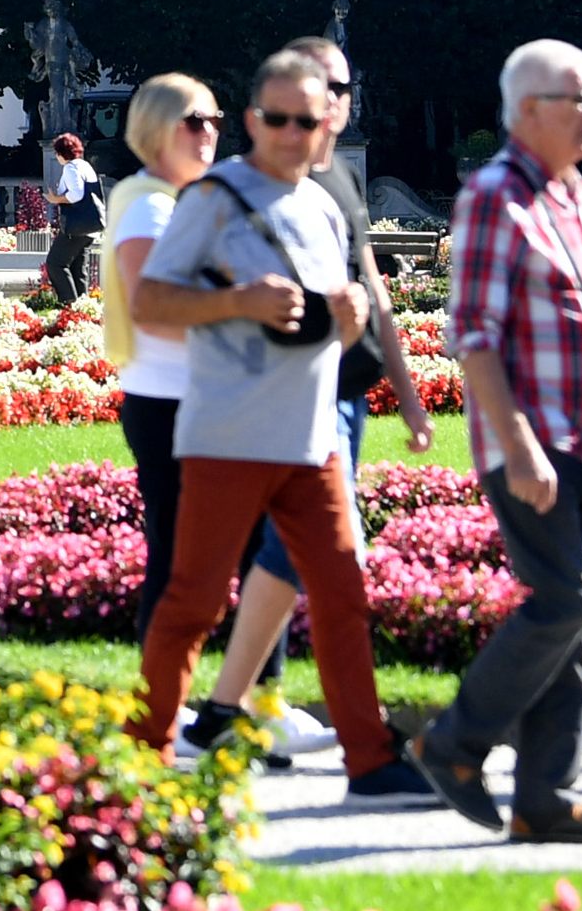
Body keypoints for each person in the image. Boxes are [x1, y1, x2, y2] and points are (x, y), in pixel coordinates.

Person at [128, 49, 433, 805]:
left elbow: (320, 325)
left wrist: (346, 322)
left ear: (329, 120)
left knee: (342, 593)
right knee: (195, 601)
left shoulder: (323, 204)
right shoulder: (213, 197)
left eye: (307, 118)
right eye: (277, 118)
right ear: (253, 120)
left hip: (310, 438)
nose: (293, 132)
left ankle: (369, 759)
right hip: (228, 437)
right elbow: (150, 303)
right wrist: (237, 302)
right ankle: (142, 753)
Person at [411, 39, 582, 844]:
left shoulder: (573, 191)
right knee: (565, 600)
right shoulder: (493, 195)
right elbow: (473, 333)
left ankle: (544, 796)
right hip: (537, 440)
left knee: (577, 616)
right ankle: (452, 742)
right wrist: (517, 442)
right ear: (529, 110)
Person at [104, 73, 220, 645]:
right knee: (177, 557)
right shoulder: (152, 207)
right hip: (169, 400)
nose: (209, 133)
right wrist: (242, 322)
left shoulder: (173, 199)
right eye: (195, 121)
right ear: (157, 129)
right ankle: (165, 681)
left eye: (215, 120)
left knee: (195, 553)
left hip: (186, 397)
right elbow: (151, 311)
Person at [46, 133, 104, 306]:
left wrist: (56, 199)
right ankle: (83, 307)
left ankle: (69, 303)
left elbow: (76, 195)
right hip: (91, 227)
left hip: (75, 227)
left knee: (55, 264)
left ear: (61, 153)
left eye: (57, 152)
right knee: (78, 269)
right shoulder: (85, 165)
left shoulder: (70, 168)